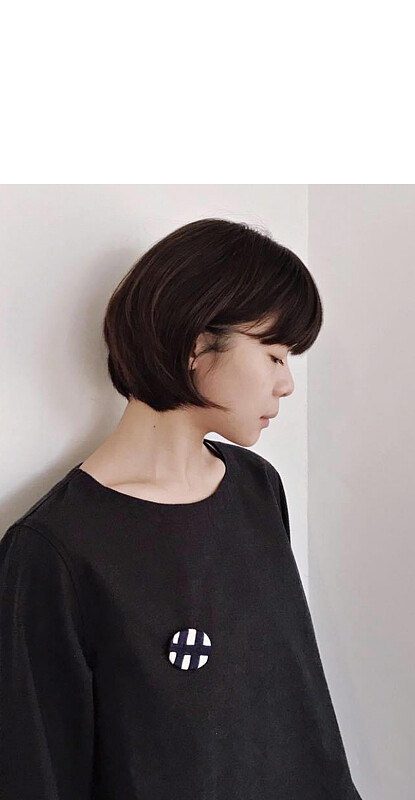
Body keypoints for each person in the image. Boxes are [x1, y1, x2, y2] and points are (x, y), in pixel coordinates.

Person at [0, 218, 363, 798]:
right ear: (196, 346)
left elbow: (296, 711)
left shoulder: (257, 489)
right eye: (274, 355)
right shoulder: (56, 552)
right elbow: (38, 773)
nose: (287, 384)